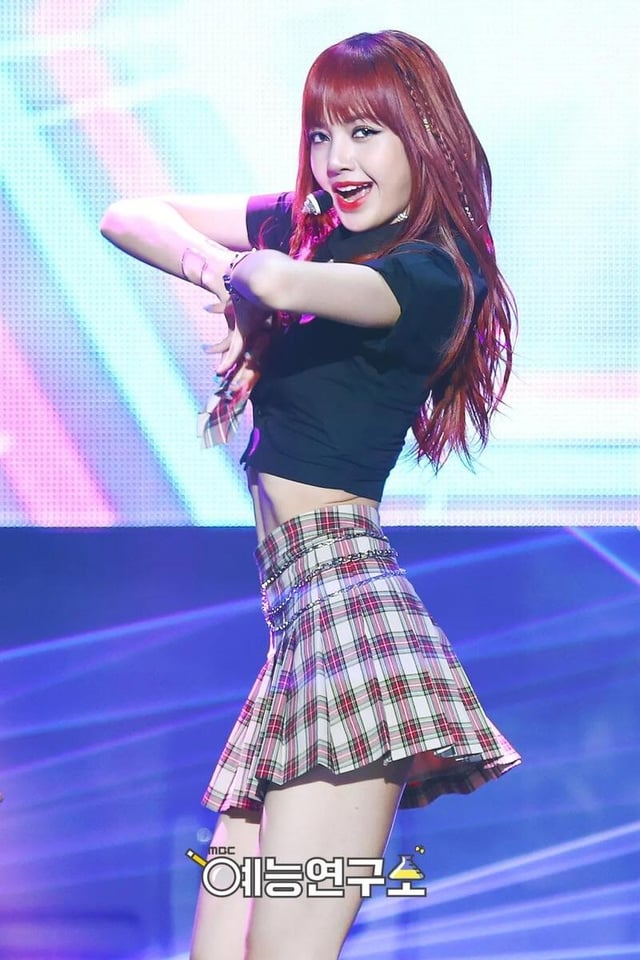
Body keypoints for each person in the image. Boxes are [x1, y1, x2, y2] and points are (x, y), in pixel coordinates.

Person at [100, 29, 521, 960]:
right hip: (299, 627)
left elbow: (277, 277)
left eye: (366, 132)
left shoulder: (428, 273)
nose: (337, 160)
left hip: (353, 627)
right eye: (322, 135)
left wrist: (247, 283)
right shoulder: (313, 230)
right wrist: (215, 272)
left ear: (424, 134)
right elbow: (128, 213)